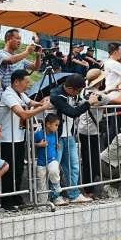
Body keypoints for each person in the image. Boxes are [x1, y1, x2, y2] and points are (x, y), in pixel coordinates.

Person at [0, 70, 48, 209]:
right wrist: (42, 108)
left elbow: (29, 101)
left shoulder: (19, 93)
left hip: (19, 138)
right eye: (26, 82)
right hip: (7, 139)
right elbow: (22, 113)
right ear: (16, 82)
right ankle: (6, 202)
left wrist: (40, 103)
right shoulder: (8, 94)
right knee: (9, 172)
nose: (28, 84)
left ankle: (16, 197)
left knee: (18, 170)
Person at [48, 74, 97, 204]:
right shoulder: (56, 95)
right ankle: (55, 196)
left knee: (73, 167)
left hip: (68, 136)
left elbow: (76, 107)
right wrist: (88, 104)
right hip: (55, 137)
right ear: (72, 88)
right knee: (54, 168)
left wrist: (87, 100)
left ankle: (73, 194)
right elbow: (71, 112)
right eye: (79, 91)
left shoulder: (72, 95)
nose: (79, 94)